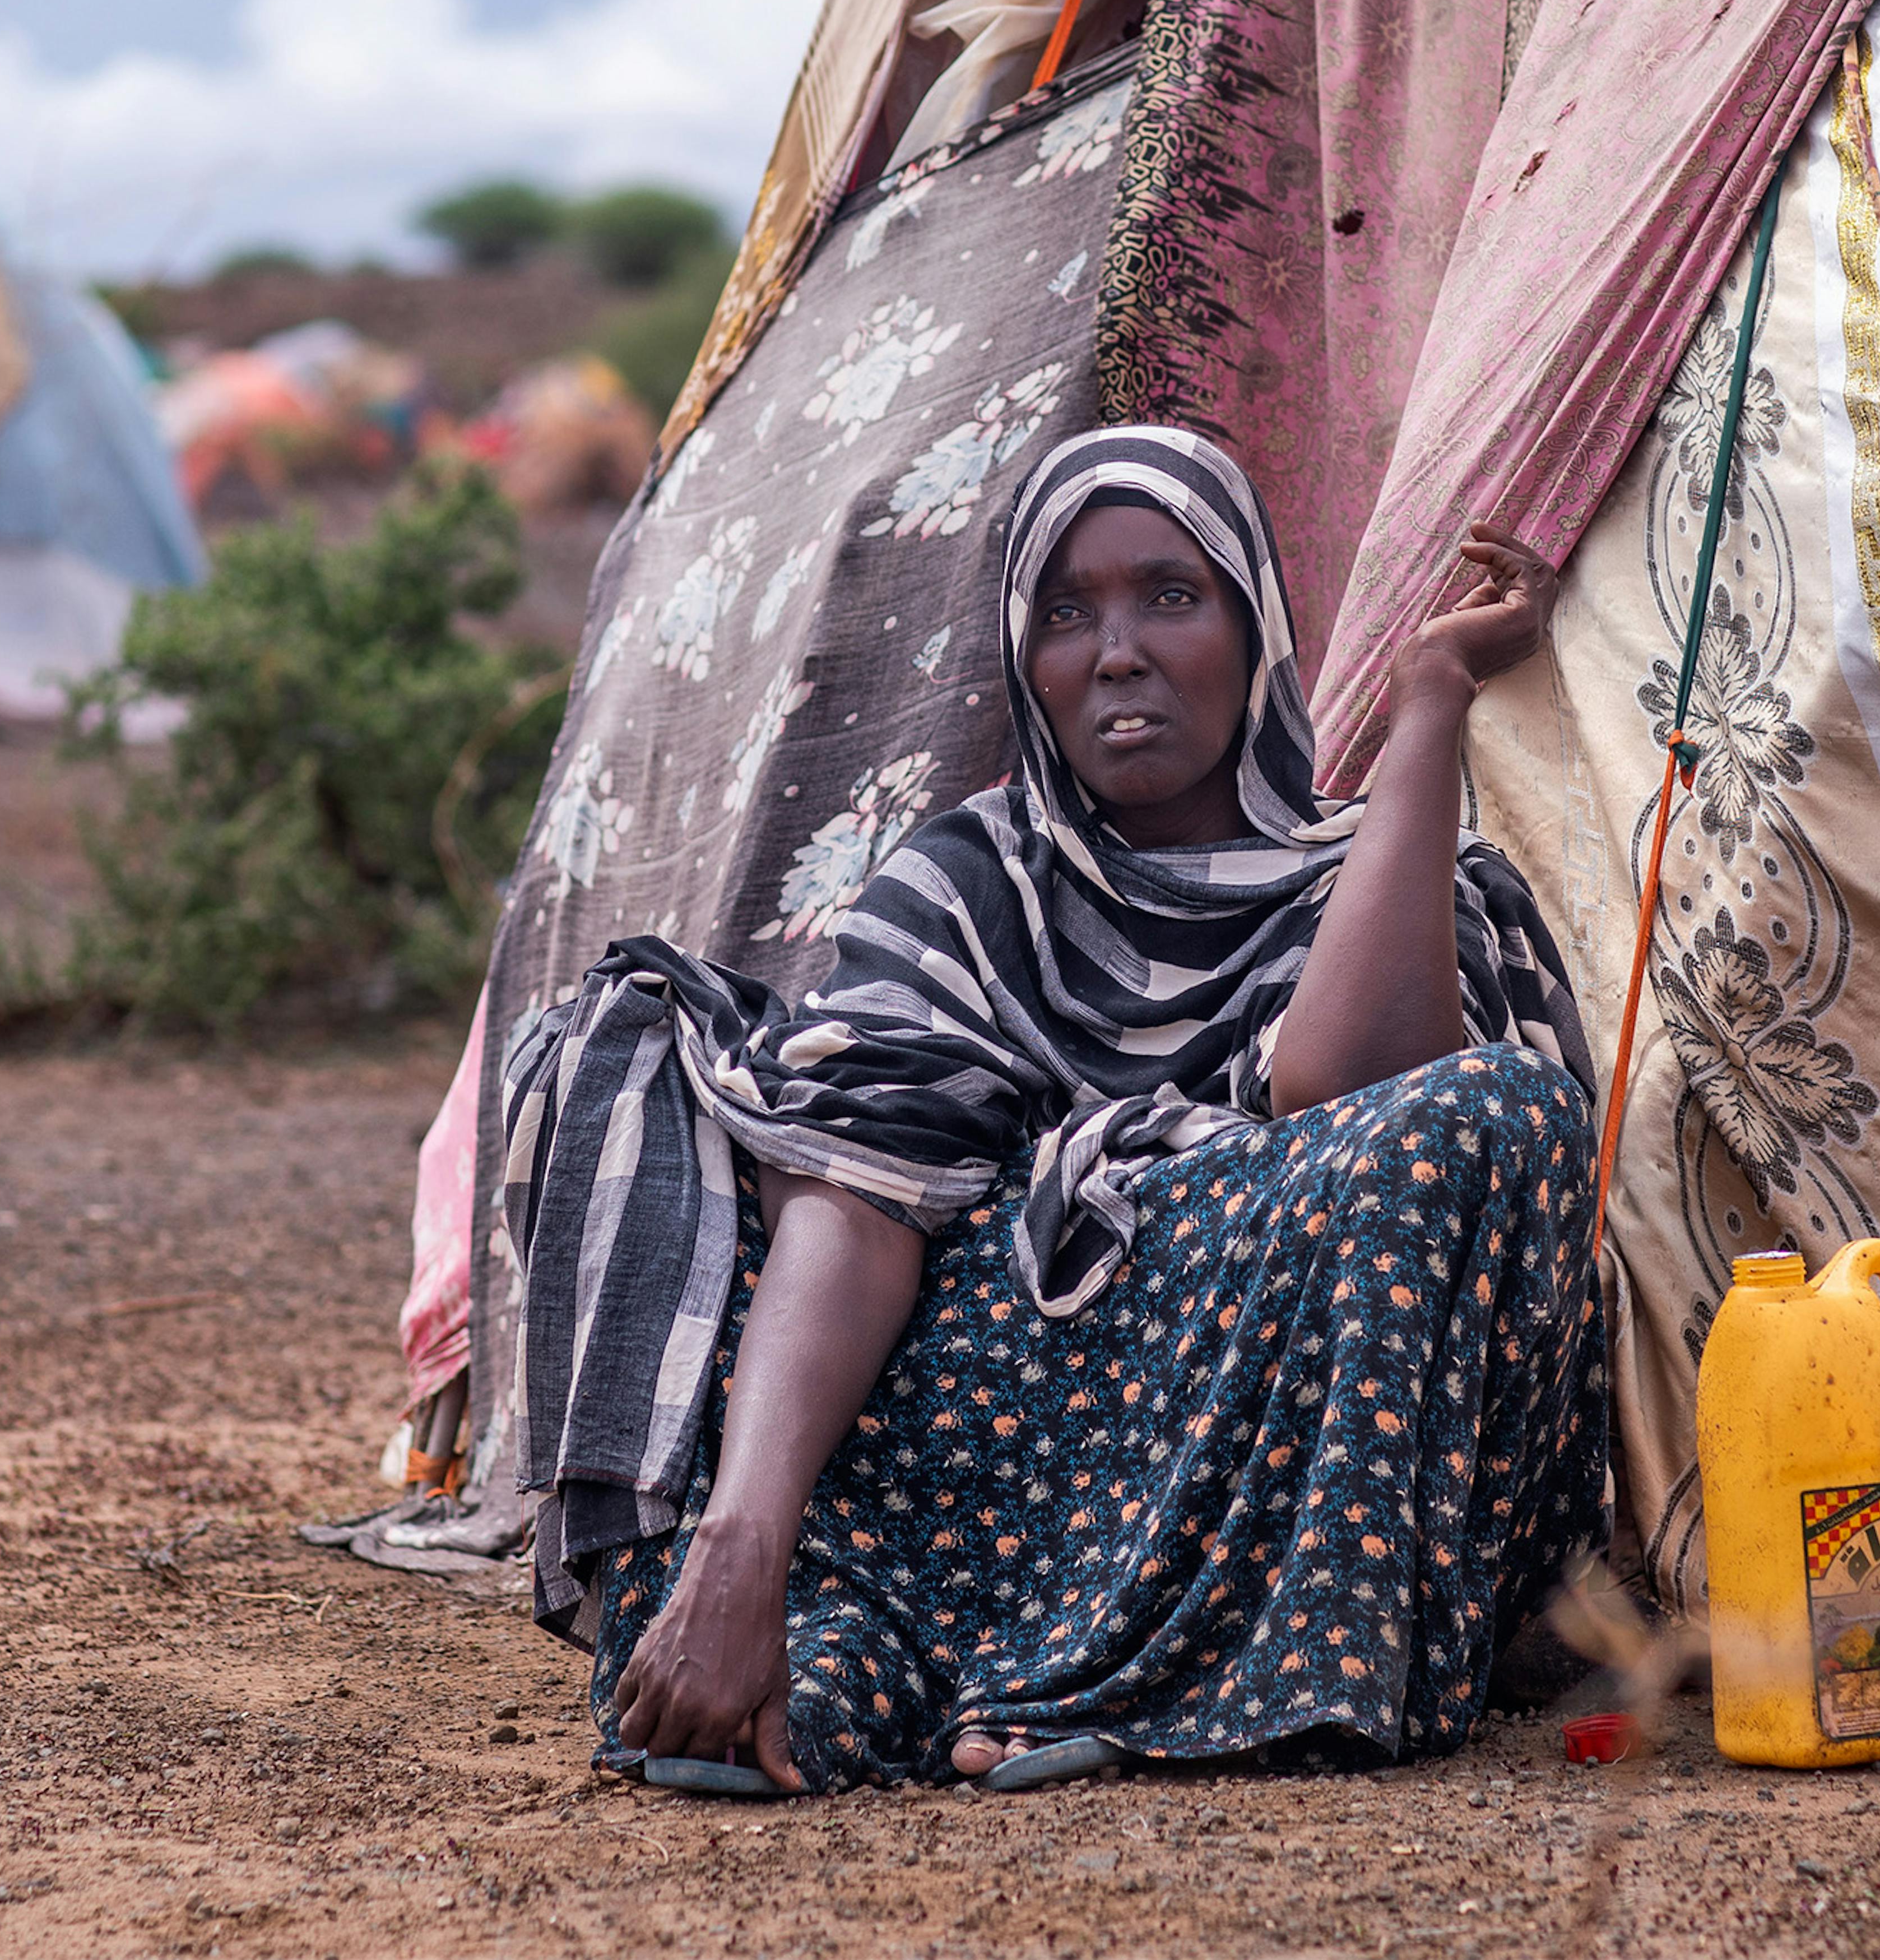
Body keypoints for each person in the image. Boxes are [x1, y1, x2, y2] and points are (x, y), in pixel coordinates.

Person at [496, 425, 1602, 1793]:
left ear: (1257, 628)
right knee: (672, 1087)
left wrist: (1431, 696)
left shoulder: (1385, 877)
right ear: (1023, 659)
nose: (1116, 650)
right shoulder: (967, 880)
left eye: (1170, 595)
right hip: (981, 1491)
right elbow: (858, 1199)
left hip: (1255, 1485)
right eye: (1066, 612)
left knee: (1495, 1110)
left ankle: (1158, 1674)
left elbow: (1360, 1098)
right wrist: (743, 1540)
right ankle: (807, 1647)